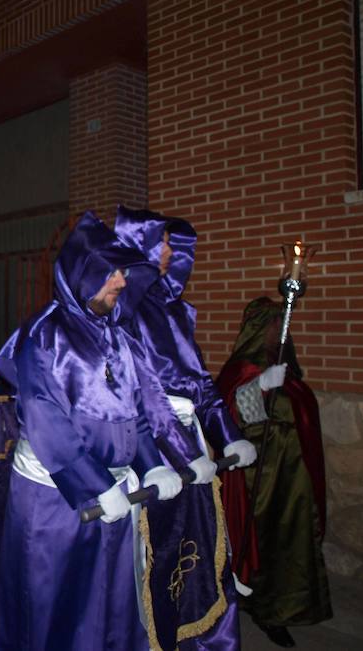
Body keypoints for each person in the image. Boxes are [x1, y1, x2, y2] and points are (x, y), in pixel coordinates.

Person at [0, 212, 207, 651]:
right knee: (54, 608)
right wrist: (94, 485)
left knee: (110, 606)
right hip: (57, 501)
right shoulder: (45, 334)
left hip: (115, 496)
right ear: (82, 271)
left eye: (124, 271)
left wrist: (151, 467)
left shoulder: (118, 337)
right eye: (112, 271)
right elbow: (45, 416)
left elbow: (140, 413)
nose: (122, 281)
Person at [115, 206, 258, 650]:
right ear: (137, 244)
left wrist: (228, 435)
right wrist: (177, 454)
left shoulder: (173, 310)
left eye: (172, 245)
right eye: (161, 242)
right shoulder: (121, 310)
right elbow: (141, 395)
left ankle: (201, 638)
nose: (169, 252)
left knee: (202, 544)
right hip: (149, 446)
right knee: (154, 556)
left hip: (189, 439)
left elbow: (199, 383)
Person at [216, 297, 331, 647]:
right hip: (259, 483)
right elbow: (232, 419)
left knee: (289, 544)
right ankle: (262, 610)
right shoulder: (243, 371)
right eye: (272, 326)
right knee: (259, 544)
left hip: (292, 479)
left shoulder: (284, 369)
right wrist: (260, 386)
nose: (278, 333)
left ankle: (283, 607)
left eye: (280, 326)